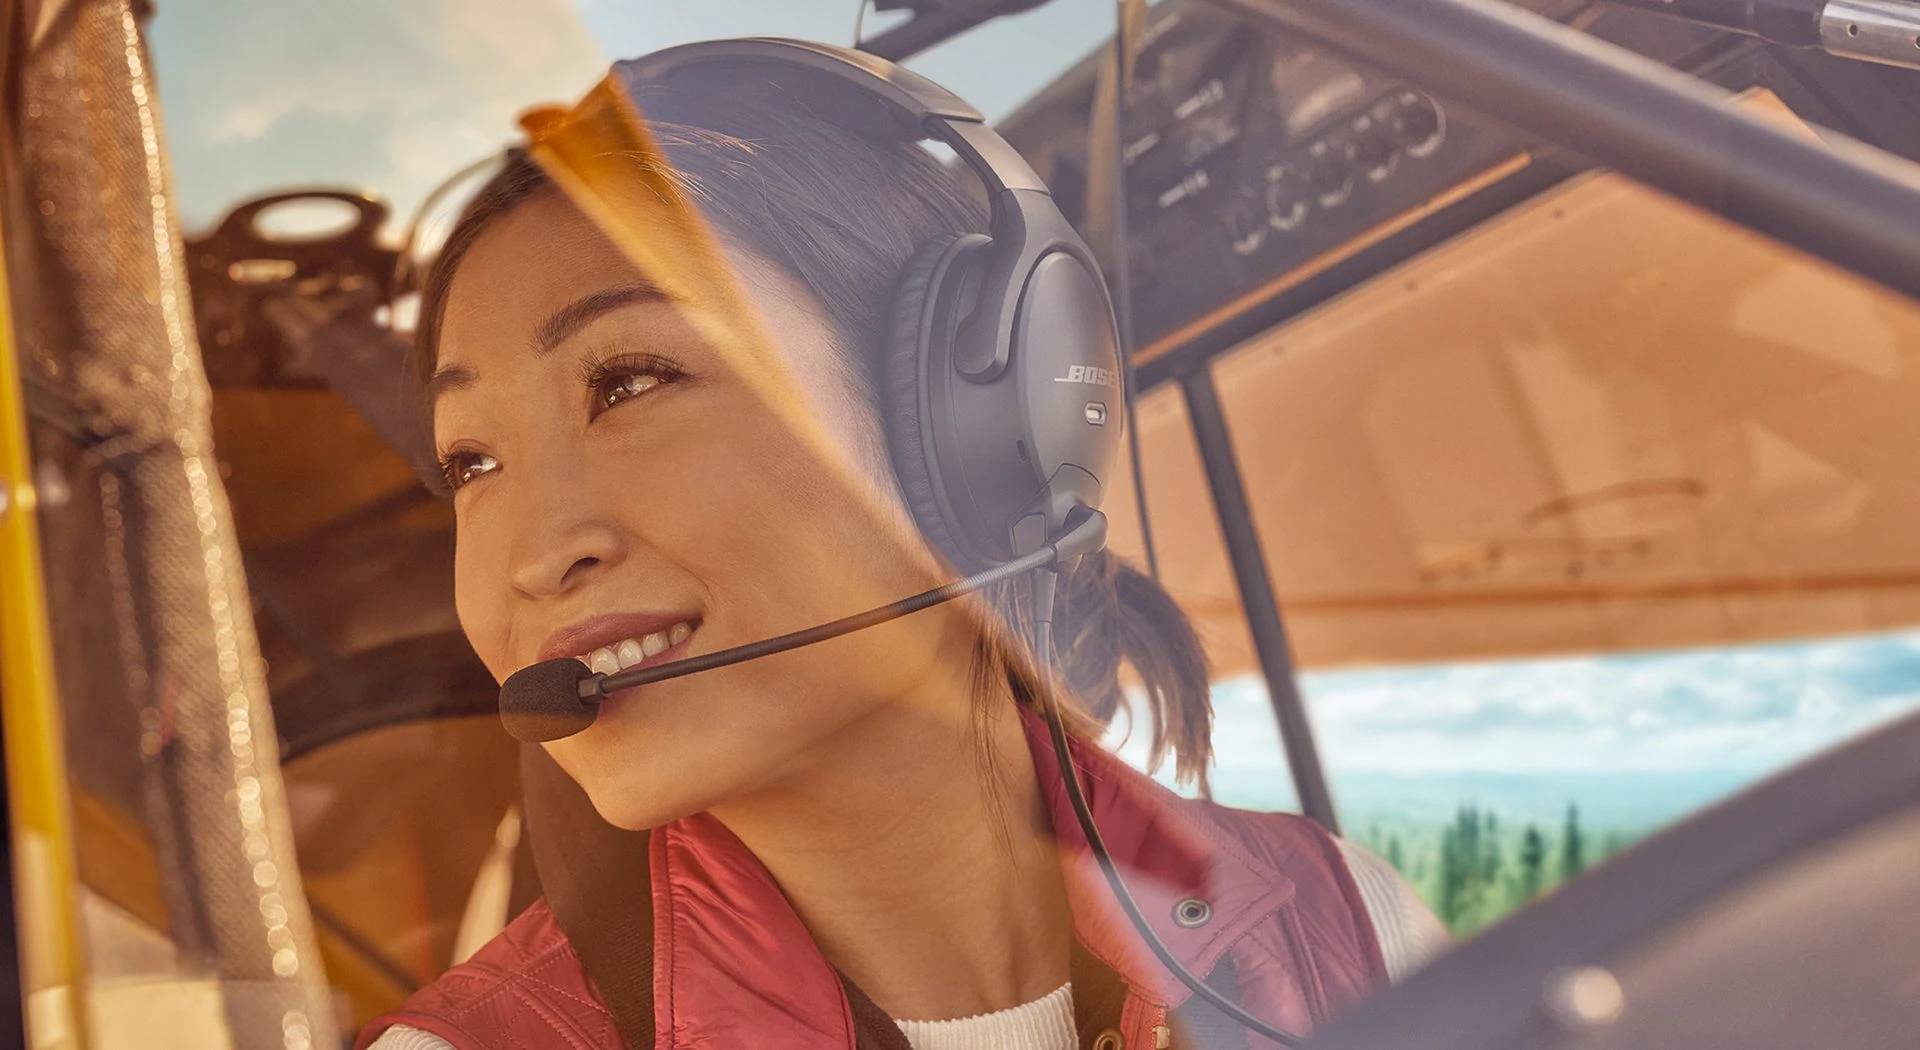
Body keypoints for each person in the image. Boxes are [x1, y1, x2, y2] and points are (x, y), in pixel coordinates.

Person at [362, 45, 1444, 1050]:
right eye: (471, 463)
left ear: (973, 424)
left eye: (628, 382)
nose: (535, 555)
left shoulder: (1352, 928)